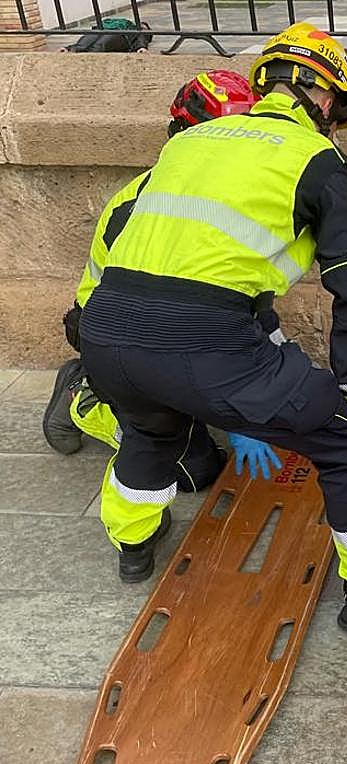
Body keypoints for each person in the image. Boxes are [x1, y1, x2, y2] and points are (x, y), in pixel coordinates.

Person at [76, 21, 347, 626]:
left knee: (150, 435)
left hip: (108, 333)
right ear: (324, 96)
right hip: (205, 343)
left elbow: (198, 262)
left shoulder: (189, 144)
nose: (334, 123)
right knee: (346, 445)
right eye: (338, 111)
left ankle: (133, 547)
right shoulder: (318, 158)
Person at [42, 71, 260, 499]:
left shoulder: (230, 198)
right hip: (119, 337)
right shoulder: (140, 202)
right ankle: (82, 396)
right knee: (193, 471)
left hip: (173, 336)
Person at [59, 18, 153, 53]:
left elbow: (141, 38)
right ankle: (69, 49)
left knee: (99, 46)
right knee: (87, 41)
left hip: (121, 36)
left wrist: (141, 47)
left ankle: (80, 55)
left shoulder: (139, 31)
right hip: (103, 29)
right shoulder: (124, 22)